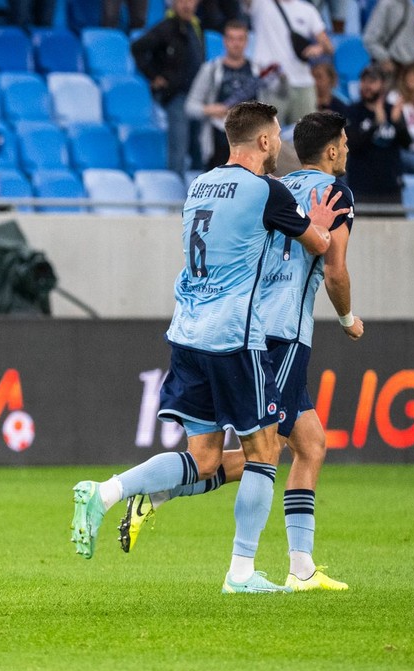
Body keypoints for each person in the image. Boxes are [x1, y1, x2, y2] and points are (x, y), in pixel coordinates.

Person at [68, 101, 339, 594]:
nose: (279, 144)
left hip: (187, 332)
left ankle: (106, 493)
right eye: (276, 136)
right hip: (235, 338)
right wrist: (316, 221)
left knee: (206, 458)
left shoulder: (198, 186)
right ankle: (241, 573)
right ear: (261, 142)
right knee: (262, 452)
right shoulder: (267, 191)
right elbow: (319, 245)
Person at [132, 0, 205, 173]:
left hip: (197, 95)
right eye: (182, 1)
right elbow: (137, 48)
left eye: (190, 1)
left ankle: (202, 190)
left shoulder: (195, 26)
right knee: (178, 147)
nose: (187, 5)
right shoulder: (165, 27)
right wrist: (153, 76)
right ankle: (175, 194)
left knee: (198, 147)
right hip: (176, 95)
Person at [186, 19, 260, 168]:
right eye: (232, 39)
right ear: (225, 41)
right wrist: (209, 110)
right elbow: (190, 107)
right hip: (219, 142)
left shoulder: (256, 70)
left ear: (246, 42)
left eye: (240, 39)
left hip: (250, 144)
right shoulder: (211, 70)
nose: (236, 44)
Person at [245, 0, 334, 125]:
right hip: (273, 82)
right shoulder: (261, 3)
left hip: (303, 81)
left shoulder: (307, 10)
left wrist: (319, 47)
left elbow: (329, 46)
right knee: (270, 137)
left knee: (309, 136)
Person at [345, 63, 410, 209]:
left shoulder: (392, 110)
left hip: (391, 187)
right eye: (364, 81)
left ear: (383, 85)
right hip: (362, 187)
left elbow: (407, 144)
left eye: (372, 82)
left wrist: (398, 123)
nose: (367, 86)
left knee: (396, 231)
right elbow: (353, 145)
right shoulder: (352, 111)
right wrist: (375, 124)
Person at [362, 0, 414, 75]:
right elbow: (369, 40)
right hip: (392, 67)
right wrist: (384, 59)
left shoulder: (412, 5)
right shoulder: (386, 4)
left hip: (410, 67)